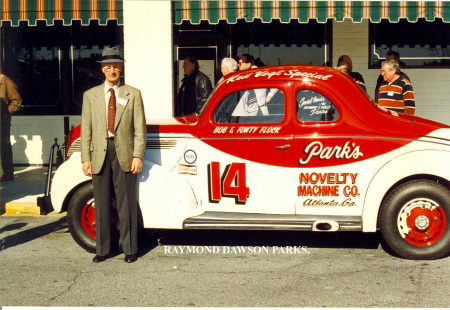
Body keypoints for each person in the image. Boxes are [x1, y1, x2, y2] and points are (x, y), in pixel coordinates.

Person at [81, 47, 146, 263]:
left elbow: (139, 129)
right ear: (102, 69)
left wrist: (138, 155)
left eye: (116, 66)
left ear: (121, 68)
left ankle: (129, 249)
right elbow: (86, 129)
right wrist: (85, 158)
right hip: (99, 153)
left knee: (126, 202)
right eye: (108, 66)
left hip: (124, 154)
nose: (112, 70)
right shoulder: (90, 96)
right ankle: (103, 249)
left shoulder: (133, 94)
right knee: (101, 202)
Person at [0, 67, 22, 182]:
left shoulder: (7, 82)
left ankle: (8, 173)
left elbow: (16, 100)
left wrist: (5, 113)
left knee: (4, 145)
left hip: (2, 120)